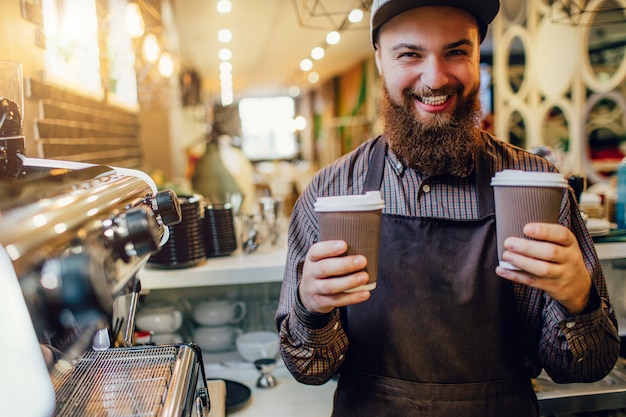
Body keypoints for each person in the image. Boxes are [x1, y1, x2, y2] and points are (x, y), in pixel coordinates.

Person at [275, 1, 621, 416]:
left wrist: (578, 299)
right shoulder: (330, 192)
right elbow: (309, 367)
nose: (435, 78)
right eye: (410, 54)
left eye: (457, 51)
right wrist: (311, 307)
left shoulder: (536, 186)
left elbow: (588, 365)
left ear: (478, 57)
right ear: (380, 61)